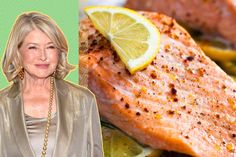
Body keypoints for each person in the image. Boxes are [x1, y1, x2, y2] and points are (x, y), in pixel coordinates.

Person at [0, 11, 104, 157]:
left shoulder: (84, 100)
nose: (43, 56)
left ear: (59, 52)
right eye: (33, 47)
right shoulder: (2, 105)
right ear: (17, 52)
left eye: (50, 47)